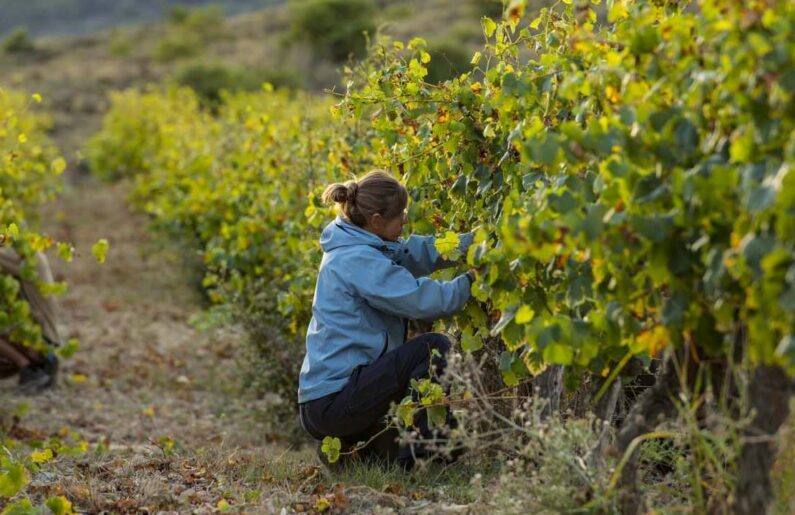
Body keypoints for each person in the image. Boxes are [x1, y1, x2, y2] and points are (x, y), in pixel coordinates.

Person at [297, 169, 475, 469]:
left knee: (447, 440)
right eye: (400, 215)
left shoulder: (361, 242)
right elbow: (419, 301)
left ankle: (354, 454)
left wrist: (474, 243)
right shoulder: (357, 260)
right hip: (333, 402)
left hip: (329, 399)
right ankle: (420, 459)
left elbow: (415, 251)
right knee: (433, 348)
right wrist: (468, 282)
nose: (405, 220)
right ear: (377, 220)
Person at [0, 247, 61, 394]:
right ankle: (39, 366)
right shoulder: (28, 251)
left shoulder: (23, 255)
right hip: (41, 336)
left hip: (38, 337)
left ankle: (29, 368)